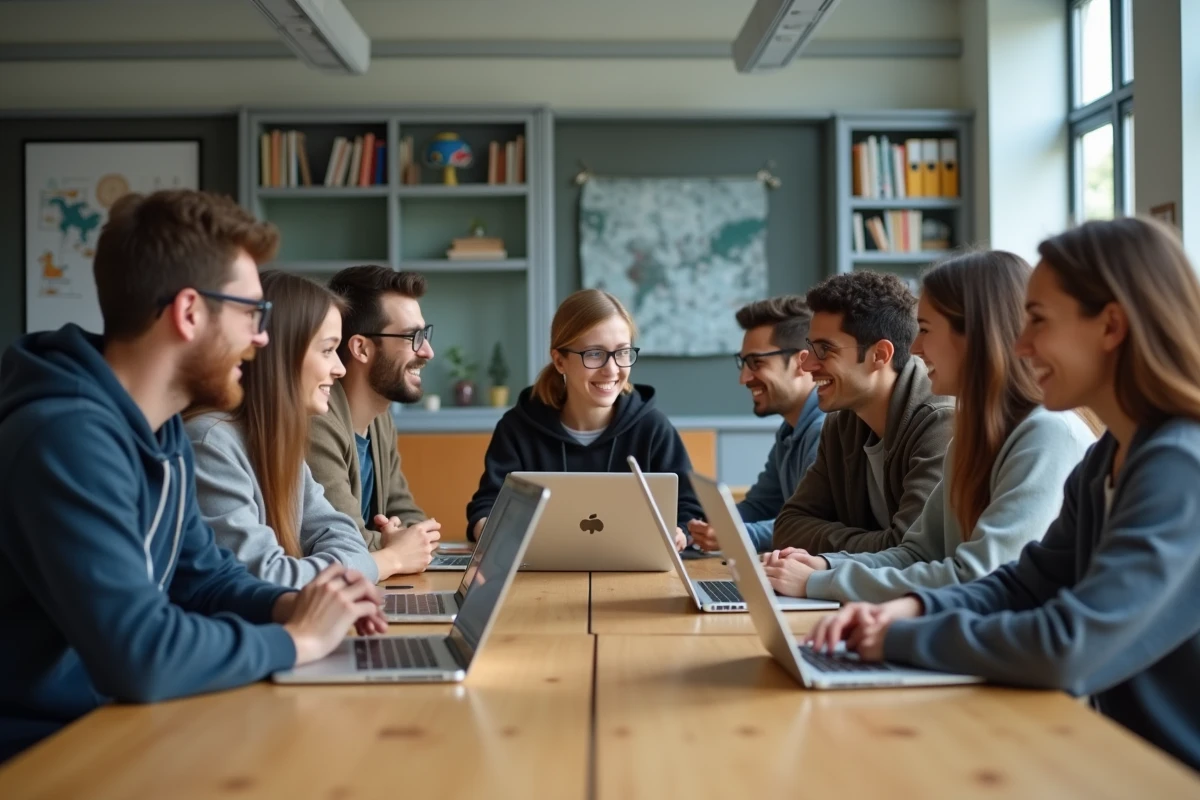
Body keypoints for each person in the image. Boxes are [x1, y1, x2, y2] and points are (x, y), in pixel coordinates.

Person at [0, 190, 385, 763]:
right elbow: (140, 653)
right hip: (45, 752)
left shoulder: (160, 432)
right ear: (188, 312)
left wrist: (297, 604)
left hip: (116, 726)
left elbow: (204, 580)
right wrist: (295, 640)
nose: (261, 340)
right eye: (252, 315)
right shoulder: (65, 438)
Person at [807, 217, 1200, 773]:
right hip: (1119, 757)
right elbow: (1024, 582)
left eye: (1037, 320)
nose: (1020, 343)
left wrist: (900, 636)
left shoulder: (1180, 465)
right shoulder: (1107, 459)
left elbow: (1068, 644)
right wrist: (910, 606)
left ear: (1111, 326)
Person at [762, 251, 1097, 601]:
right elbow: (917, 553)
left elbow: (980, 577)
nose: (916, 348)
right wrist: (827, 567)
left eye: (924, 330)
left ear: (977, 336)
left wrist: (818, 583)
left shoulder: (1047, 435)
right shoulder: (971, 439)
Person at [186, 271, 433, 587]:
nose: (339, 368)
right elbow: (268, 577)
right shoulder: (211, 443)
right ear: (283, 356)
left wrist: (373, 558)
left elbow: (344, 536)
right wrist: (389, 559)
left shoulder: (276, 442)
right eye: (329, 350)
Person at [466, 289, 702, 547]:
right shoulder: (517, 428)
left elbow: (689, 509)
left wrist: (681, 532)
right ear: (559, 361)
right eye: (594, 354)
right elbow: (487, 506)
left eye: (622, 352)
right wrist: (487, 529)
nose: (611, 369)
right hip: (539, 578)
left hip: (637, 576)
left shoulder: (654, 428)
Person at [771, 271, 955, 553]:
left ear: (880, 355)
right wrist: (877, 544)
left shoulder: (939, 420)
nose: (807, 367)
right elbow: (788, 526)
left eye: (825, 350)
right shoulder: (841, 422)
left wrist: (832, 557)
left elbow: (912, 551)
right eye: (810, 348)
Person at [306, 265, 441, 573]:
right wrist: (395, 544)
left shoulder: (380, 419)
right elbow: (346, 541)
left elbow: (409, 514)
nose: (428, 351)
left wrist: (407, 538)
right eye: (412, 337)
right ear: (361, 348)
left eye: (425, 334)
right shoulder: (316, 422)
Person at [687, 295, 825, 553]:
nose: (744, 378)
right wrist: (698, 529)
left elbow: (814, 525)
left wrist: (736, 535)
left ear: (802, 362)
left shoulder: (826, 430)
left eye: (756, 362)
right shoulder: (790, 431)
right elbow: (760, 506)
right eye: (743, 363)